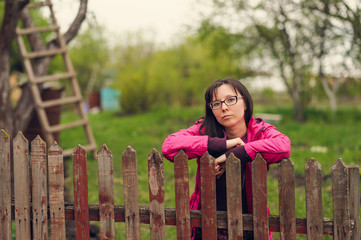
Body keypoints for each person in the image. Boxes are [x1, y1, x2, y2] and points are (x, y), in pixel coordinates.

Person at [162, 77, 291, 240]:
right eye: (216, 103)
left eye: (231, 100)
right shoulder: (205, 129)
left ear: (245, 103)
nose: (224, 107)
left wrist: (236, 153)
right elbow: (169, 146)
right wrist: (220, 144)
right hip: (206, 223)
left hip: (251, 225)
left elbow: (284, 146)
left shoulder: (261, 131)